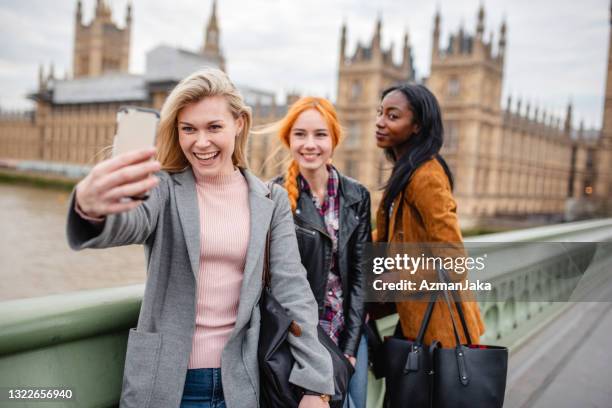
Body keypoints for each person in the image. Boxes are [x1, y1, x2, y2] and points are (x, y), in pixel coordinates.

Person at [66, 68, 334, 408]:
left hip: (240, 384)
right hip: (166, 383)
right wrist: (90, 208)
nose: (200, 142)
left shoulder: (271, 200)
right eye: (188, 129)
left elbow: (293, 291)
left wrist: (315, 384)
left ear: (239, 124)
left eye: (214, 127)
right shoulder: (162, 190)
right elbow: (127, 224)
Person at [270, 97, 371, 408]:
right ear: (288, 140)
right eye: (300, 134)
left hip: (348, 331)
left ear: (334, 141)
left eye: (320, 135)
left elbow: (360, 277)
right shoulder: (272, 195)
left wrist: (351, 347)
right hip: (304, 338)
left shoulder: (356, 196)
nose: (309, 144)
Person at [373, 83, 485, 347]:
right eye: (379, 113)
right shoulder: (408, 170)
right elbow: (395, 233)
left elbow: (454, 261)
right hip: (417, 320)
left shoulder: (426, 176)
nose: (379, 122)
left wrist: (396, 277)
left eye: (393, 116)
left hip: (441, 331)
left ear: (417, 126)